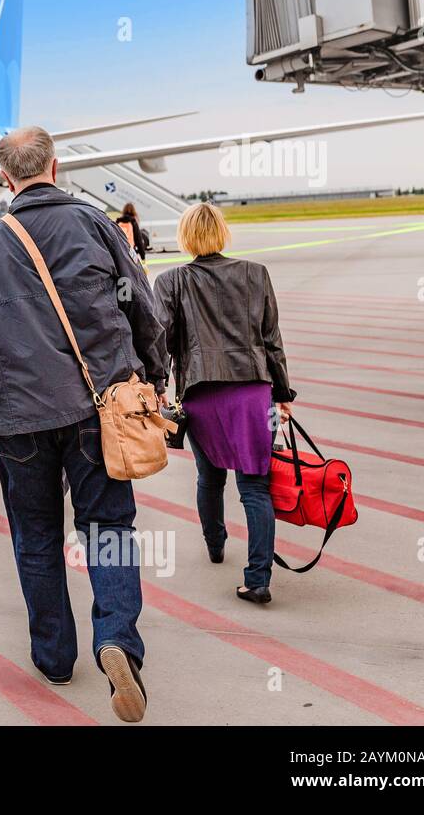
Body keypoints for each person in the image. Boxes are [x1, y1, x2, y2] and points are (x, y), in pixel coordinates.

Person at [0, 126, 166, 723]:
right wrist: (155, 378)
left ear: (5, 177)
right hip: (97, 412)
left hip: (18, 420)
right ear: (54, 167)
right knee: (109, 526)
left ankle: (55, 657)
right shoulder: (96, 224)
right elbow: (143, 305)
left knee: (35, 539)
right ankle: (116, 639)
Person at [152, 203, 294, 605]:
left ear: (185, 237)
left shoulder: (171, 281)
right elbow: (272, 341)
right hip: (253, 393)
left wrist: (158, 384)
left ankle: (215, 544)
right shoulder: (256, 274)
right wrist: (282, 394)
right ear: (222, 233)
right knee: (255, 487)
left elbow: (159, 338)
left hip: (202, 394)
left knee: (209, 477)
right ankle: (258, 578)